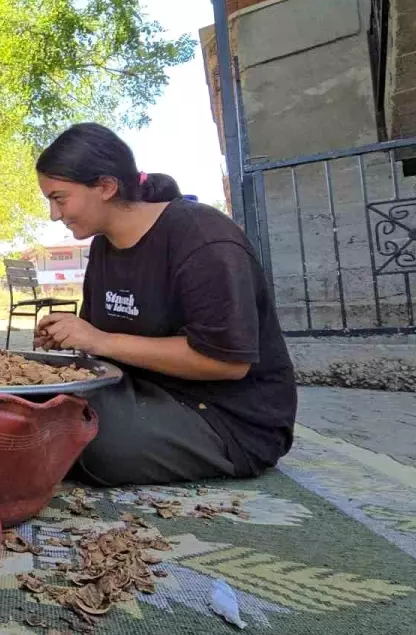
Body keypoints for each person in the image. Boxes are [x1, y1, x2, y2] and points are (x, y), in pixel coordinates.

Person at [32, 123, 296, 486]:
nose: (54, 214)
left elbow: (228, 362)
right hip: (141, 393)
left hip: (227, 417)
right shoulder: (103, 246)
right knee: (26, 404)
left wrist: (100, 340)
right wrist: (69, 338)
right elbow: (97, 344)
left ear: (106, 187)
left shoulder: (203, 238)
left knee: (96, 445)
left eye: (60, 198)